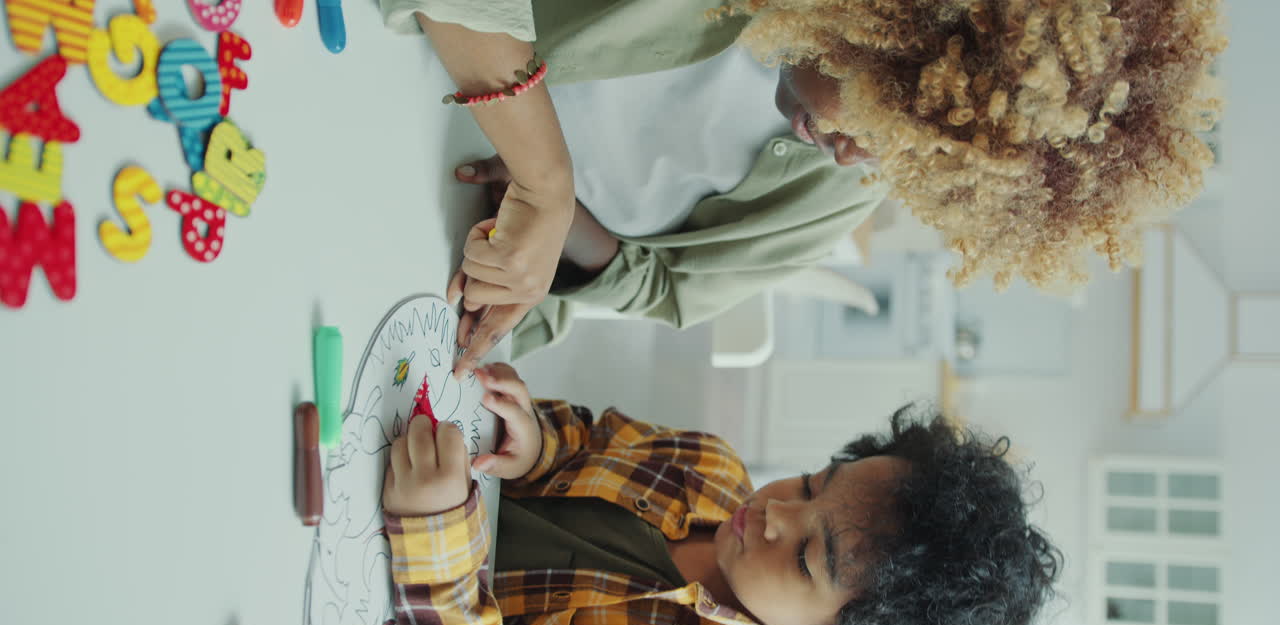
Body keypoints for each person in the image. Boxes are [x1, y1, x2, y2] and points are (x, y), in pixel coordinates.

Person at [382, 1, 1226, 375]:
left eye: (906, 170)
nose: (859, 162)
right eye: (889, 123)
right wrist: (545, 177)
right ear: (897, 28)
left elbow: (671, 291)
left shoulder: (841, 188)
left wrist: (571, 230)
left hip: (421, 243)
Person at [381, 363, 1062, 625]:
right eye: (811, 482)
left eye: (806, 558)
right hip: (393, 465)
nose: (775, 513)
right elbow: (587, 435)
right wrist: (535, 444)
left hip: (382, 613)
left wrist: (435, 540)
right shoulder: (709, 465)